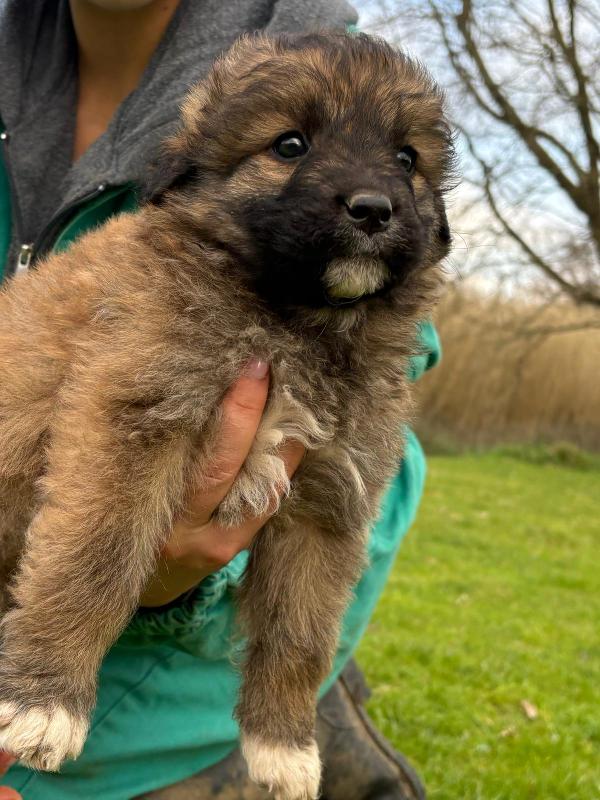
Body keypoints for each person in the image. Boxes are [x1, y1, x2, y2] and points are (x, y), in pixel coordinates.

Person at [0, 1, 440, 797]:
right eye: (291, 148)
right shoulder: (175, 276)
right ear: (184, 178)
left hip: (164, 718)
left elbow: (343, 510)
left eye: (406, 162)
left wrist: (261, 682)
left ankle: (287, 721)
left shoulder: (331, 53)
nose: (374, 194)